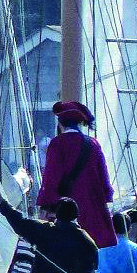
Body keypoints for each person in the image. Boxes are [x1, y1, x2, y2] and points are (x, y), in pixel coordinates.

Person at [36, 101, 116, 250]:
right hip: (92, 210)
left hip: (66, 211)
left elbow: (51, 179)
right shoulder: (93, 144)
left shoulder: (57, 144)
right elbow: (104, 180)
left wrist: (44, 206)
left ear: (60, 124)